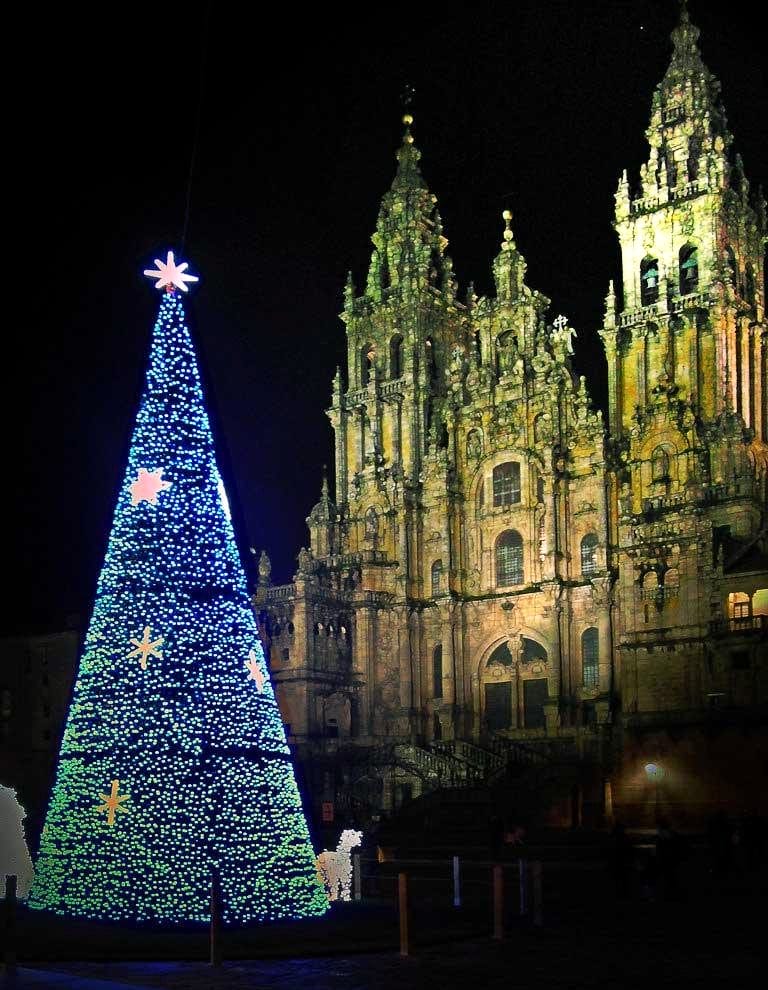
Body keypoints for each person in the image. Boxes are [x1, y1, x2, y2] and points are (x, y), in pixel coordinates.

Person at [610, 822, 635, 899]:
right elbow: (631, 851)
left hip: (617, 863)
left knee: (619, 881)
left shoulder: (612, 839)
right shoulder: (625, 839)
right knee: (623, 880)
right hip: (622, 863)